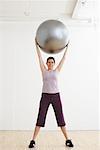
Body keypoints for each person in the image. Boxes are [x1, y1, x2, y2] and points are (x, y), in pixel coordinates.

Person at [28, 39, 74, 148]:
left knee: (60, 117)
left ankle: (67, 139)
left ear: (54, 64)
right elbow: (39, 57)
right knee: (40, 117)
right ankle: (33, 140)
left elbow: (64, 59)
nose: (50, 64)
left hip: (56, 96)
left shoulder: (57, 71)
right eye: (48, 62)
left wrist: (67, 48)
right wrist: (36, 46)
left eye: (52, 62)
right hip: (45, 96)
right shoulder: (43, 70)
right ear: (46, 63)